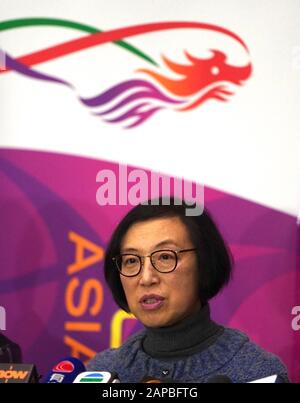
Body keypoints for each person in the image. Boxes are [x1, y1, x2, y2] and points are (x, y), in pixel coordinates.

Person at [87, 198, 289, 383]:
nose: (146, 278)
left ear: (204, 263)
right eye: (131, 260)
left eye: (165, 257)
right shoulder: (101, 370)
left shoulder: (258, 373)